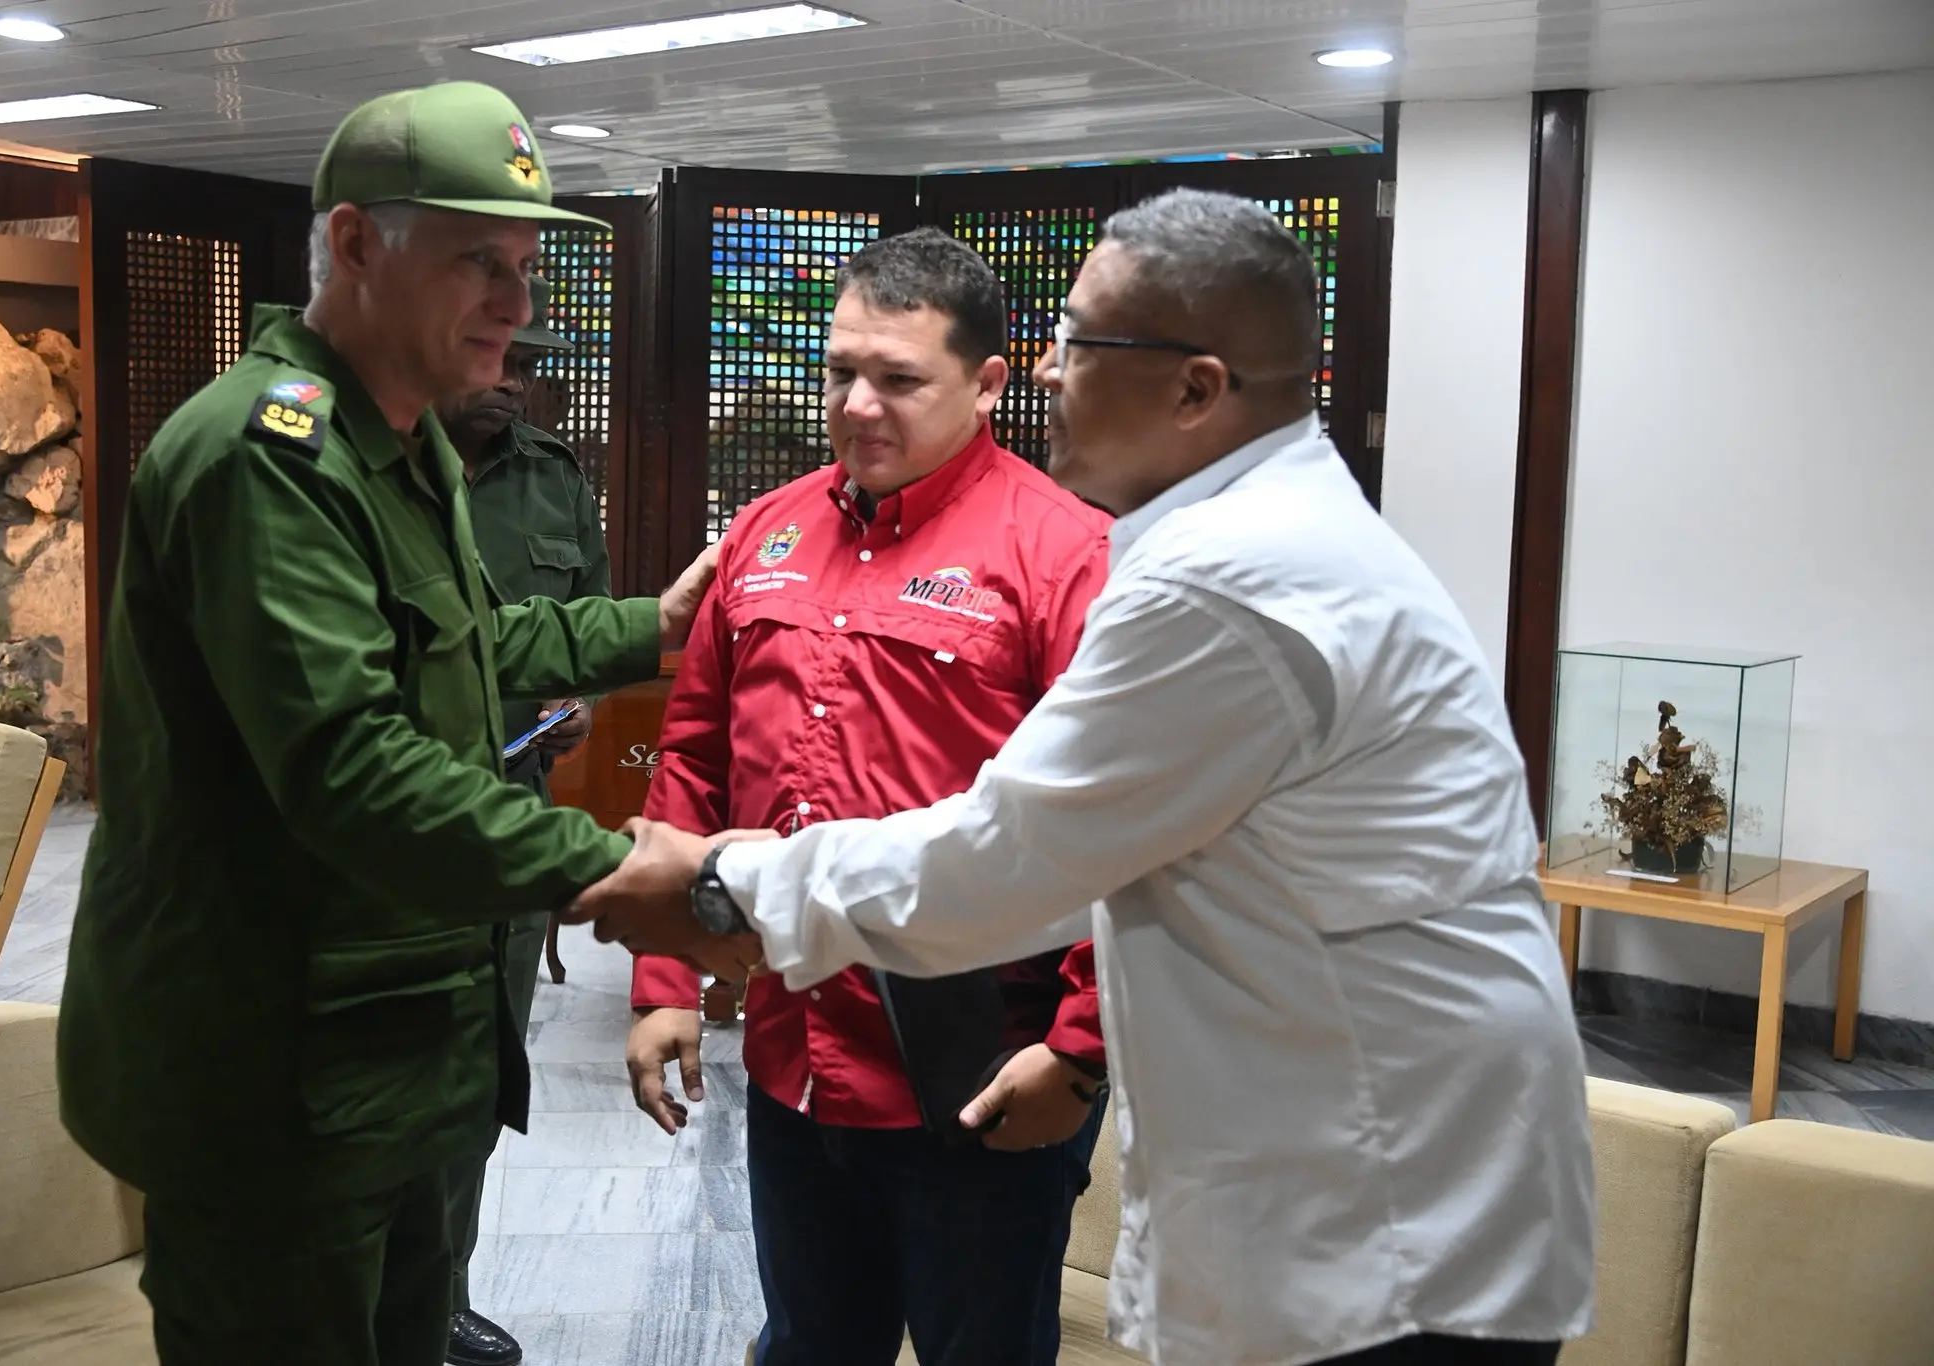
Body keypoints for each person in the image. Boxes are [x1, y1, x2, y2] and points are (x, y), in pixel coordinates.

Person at [568, 188, 1598, 1366]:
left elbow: (1011, 857)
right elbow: (725, 754)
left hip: (1374, 1200)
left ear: (1195, 388)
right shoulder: (1250, 537)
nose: (1053, 373)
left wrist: (717, 885)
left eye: (1077, 345)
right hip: (1354, 1156)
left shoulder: (1218, 581)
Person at [55, 81, 717, 1366]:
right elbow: (350, 765)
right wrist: (614, 867)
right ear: (354, 243)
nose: (516, 305)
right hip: (273, 1072)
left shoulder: (399, 446)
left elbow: (477, 646)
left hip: (404, 1051)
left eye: (525, 265)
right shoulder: (267, 457)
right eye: (478, 259)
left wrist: (653, 629)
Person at [626, 226, 1114, 1366]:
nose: (856, 404)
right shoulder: (769, 528)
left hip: (981, 1066)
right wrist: (664, 978)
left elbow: (1124, 827)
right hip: (794, 1048)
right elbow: (693, 757)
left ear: (990, 382)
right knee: (805, 1344)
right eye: (840, 370)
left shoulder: (1064, 553)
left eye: (898, 379)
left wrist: (1081, 1051)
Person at [433, 276, 612, 1366]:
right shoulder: (365, 472)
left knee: (476, 1071)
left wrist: (579, 695)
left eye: (531, 366)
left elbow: (583, 622)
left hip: (510, 810)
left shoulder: (551, 480)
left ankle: (441, 1290)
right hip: (389, 829)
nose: (514, 384)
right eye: (497, 358)